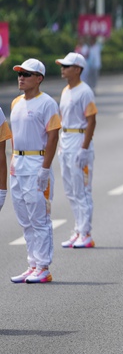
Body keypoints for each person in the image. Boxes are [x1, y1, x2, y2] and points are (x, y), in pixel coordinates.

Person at [9, 58, 61, 284]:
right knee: (25, 219)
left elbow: (53, 136)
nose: (21, 78)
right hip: (17, 165)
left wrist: (45, 169)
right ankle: (32, 264)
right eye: (19, 74)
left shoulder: (47, 103)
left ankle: (43, 266)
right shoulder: (15, 103)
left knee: (39, 218)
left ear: (39, 78)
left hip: (36, 164)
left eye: (27, 74)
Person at [56, 52, 98, 249]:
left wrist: (84, 148)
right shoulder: (66, 91)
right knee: (70, 190)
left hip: (79, 140)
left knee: (82, 190)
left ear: (78, 69)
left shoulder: (85, 91)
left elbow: (91, 121)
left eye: (67, 66)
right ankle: (78, 229)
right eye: (62, 65)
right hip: (66, 140)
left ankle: (86, 233)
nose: (63, 68)